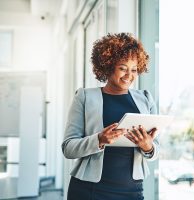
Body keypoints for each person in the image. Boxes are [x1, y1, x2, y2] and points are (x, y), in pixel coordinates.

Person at [62, 33, 159, 200]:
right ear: (108, 66)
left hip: (132, 191)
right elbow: (68, 148)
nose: (129, 75)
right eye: (122, 68)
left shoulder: (145, 99)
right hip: (89, 190)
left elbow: (155, 149)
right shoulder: (85, 97)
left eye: (134, 69)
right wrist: (99, 139)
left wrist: (147, 146)